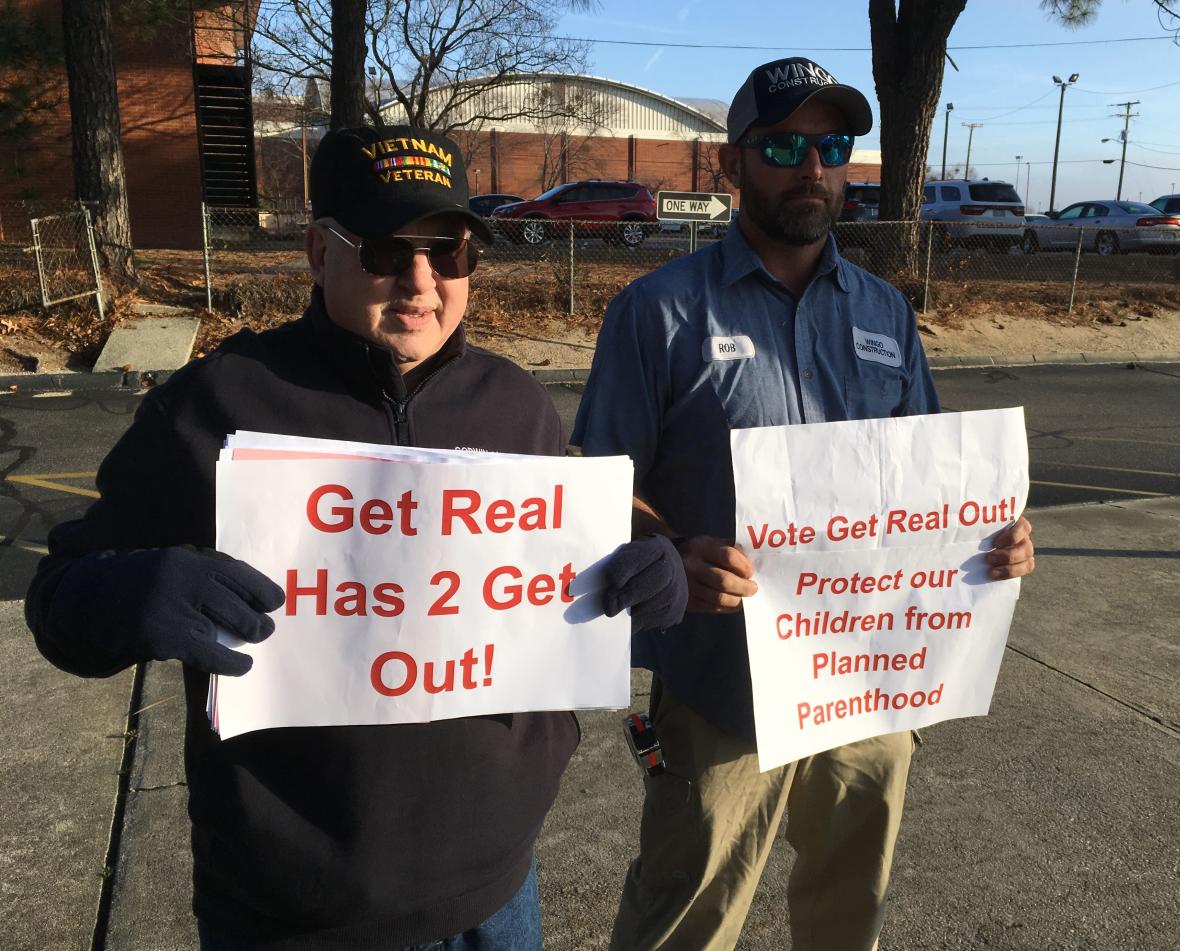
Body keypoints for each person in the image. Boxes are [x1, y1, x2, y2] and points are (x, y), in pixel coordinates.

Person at [25, 125, 685, 951]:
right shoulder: (215, 407)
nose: (420, 281)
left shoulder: (517, 406)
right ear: (316, 252)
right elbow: (58, 605)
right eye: (384, 249)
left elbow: (552, 579)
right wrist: (129, 591)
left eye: (448, 252)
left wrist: (638, 578)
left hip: (498, 891)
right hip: (294, 916)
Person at [572, 59, 1036, 951]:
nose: (812, 167)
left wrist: (994, 541)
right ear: (729, 164)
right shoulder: (656, 312)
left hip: (867, 687)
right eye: (784, 145)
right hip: (719, 693)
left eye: (832, 145)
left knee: (845, 913)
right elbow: (597, 481)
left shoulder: (886, 312)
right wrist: (670, 553)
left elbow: (930, 486)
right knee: (683, 921)